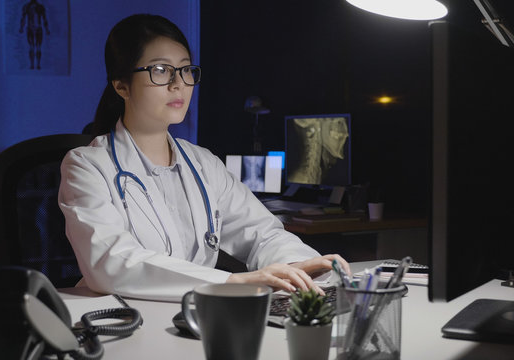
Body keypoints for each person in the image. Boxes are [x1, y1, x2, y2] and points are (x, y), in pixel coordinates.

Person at [58, 14, 350, 301]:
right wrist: (231, 282)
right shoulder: (87, 165)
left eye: (185, 70)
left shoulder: (203, 163)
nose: (179, 84)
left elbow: (261, 232)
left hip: (198, 318)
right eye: (161, 70)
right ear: (121, 86)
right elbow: (111, 264)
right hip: (123, 321)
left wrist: (296, 265)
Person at [19, 0, 51, 70]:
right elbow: (23, 18)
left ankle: (37, 64)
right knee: (32, 47)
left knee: (37, 47)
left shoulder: (40, 7)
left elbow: (44, 18)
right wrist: (21, 27)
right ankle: (32, 65)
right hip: (31, 28)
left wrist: (47, 29)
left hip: (37, 28)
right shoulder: (26, 6)